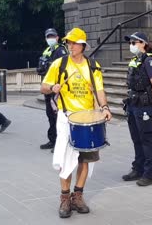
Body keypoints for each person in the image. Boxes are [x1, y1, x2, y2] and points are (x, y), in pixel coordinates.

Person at [40, 27, 112, 218]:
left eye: (73, 43)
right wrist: (52, 87)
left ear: (82, 45)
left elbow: (100, 90)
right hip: (66, 118)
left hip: (88, 117)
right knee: (66, 160)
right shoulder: (59, 64)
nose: (70, 46)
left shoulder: (93, 66)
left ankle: (77, 195)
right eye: (68, 42)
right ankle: (64, 198)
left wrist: (104, 108)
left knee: (85, 158)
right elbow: (43, 87)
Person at [121, 32, 152, 187]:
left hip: (144, 105)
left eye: (134, 42)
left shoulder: (148, 60)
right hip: (133, 103)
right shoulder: (135, 60)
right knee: (136, 138)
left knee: (147, 139)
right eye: (130, 42)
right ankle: (138, 168)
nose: (131, 45)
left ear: (143, 43)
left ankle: (150, 174)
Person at [37, 28, 68, 151]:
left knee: (57, 117)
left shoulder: (61, 50)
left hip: (56, 89)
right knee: (50, 115)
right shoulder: (47, 50)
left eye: (52, 36)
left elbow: (64, 69)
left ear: (57, 37)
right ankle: (52, 140)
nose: (50, 39)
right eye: (48, 37)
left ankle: (60, 143)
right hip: (47, 87)